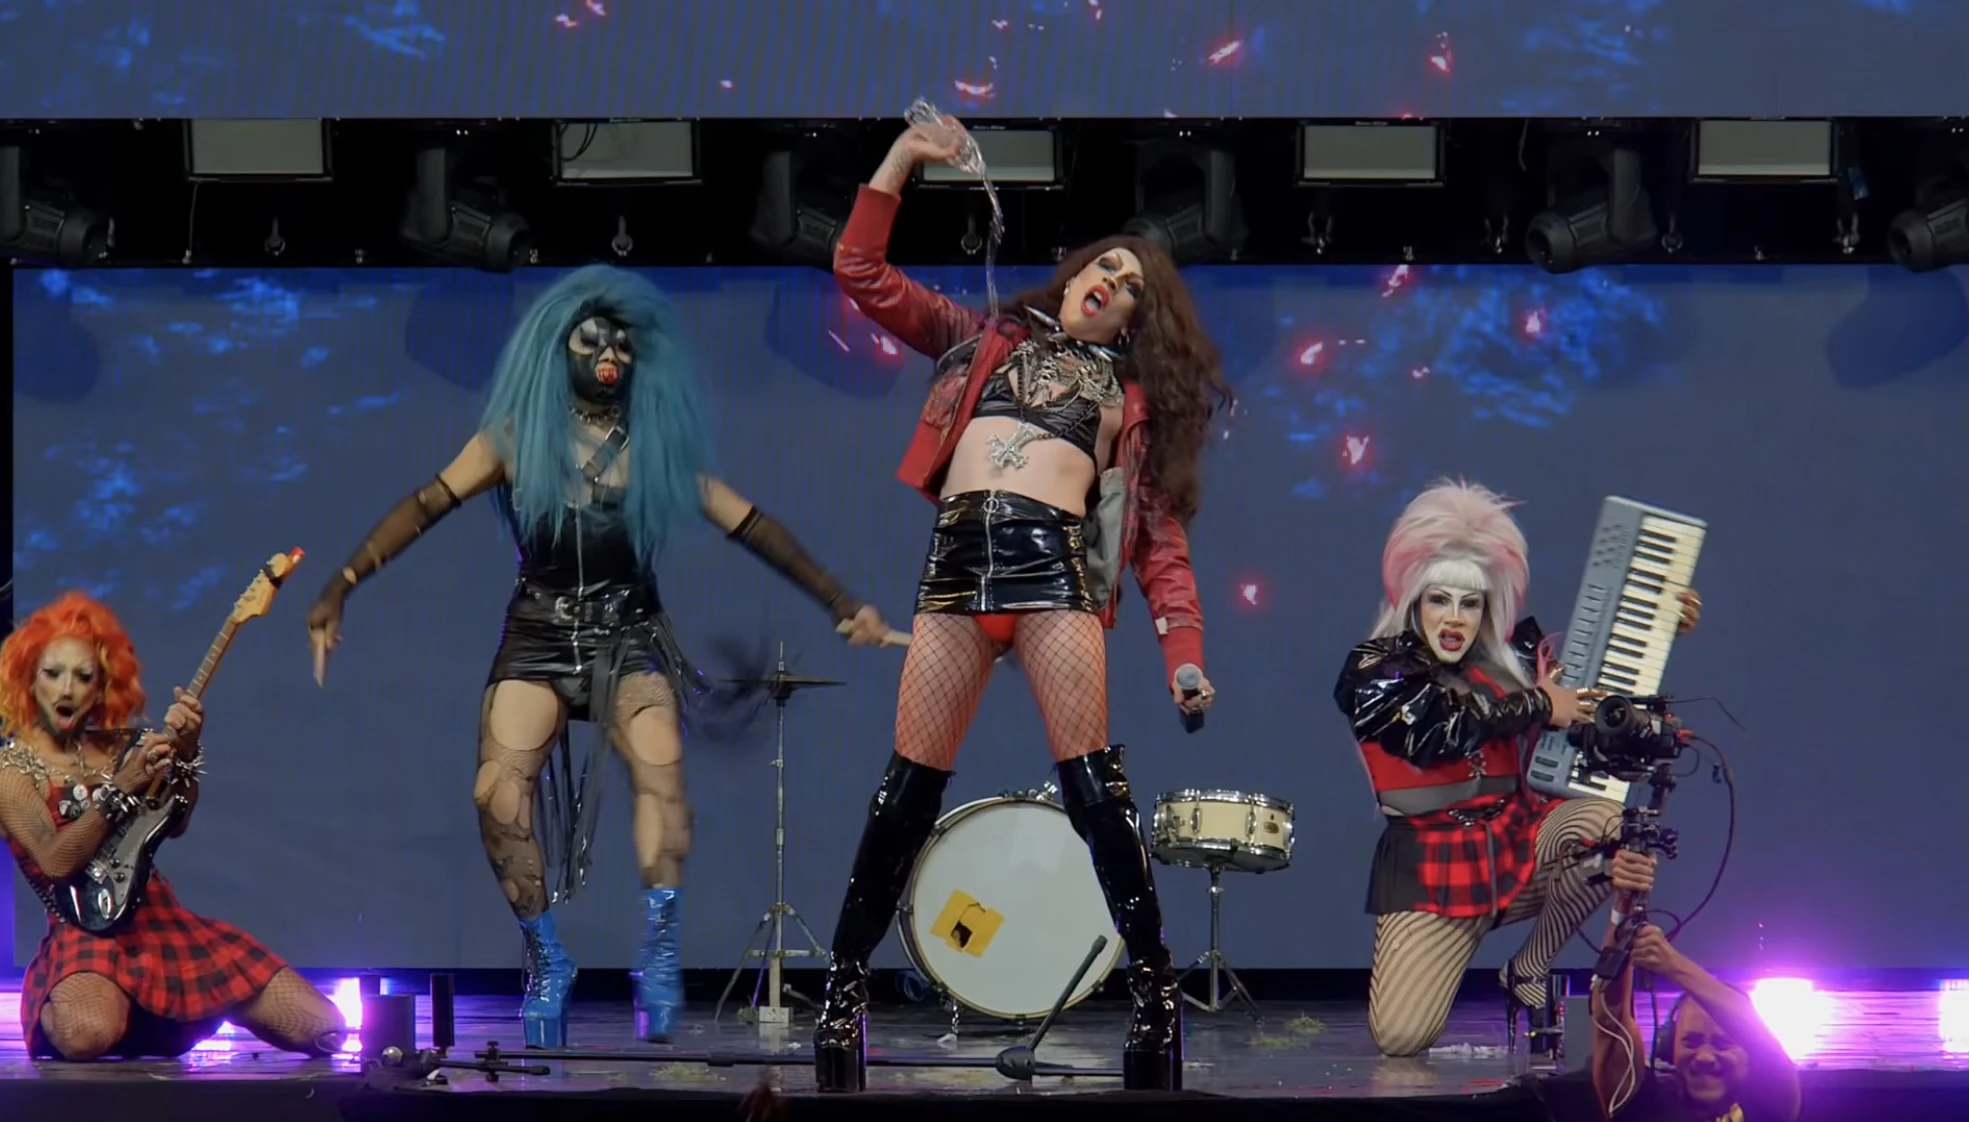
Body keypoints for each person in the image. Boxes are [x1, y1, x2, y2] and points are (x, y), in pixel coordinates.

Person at [306, 265, 892, 1049]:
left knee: (662, 780)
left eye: (621, 343)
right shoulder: (514, 437)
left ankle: (661, 949)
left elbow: (749, 524)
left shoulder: (655, 446)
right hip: (539, 635)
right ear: (559, 349)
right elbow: (424, 504)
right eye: (592, 341)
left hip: (630, 635)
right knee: (495, 795)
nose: (609, 354)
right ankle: (547, 957)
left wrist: (841, 601)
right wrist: (341, 584)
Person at [812, 115, 1231, 1094]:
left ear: (1134, 322)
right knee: (906, 790)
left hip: (1053, 573)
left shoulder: (1127, 403)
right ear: (1075, 273)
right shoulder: (982, 341)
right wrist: (901, 160)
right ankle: (841, 989)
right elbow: (860, 270)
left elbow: (1159, 549)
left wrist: (1184, 657)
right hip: (958, 567)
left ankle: (1155, 994)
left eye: (1133, 286)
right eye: (1106, 266)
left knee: (1094, 788)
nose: (1113, 281)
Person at [1332, 479, 1703, 1057]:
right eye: (1439, 599)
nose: (1454, 617)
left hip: (1518, 845)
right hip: (1431, 870)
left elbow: (1591, 691)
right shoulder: (1376, 669)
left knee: (1608, 827)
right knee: (1402, 1038)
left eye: (1470, 603)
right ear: (1414, 600)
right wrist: (1536, 705)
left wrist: (1656, 625)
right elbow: (1436, 733)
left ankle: (1529, 966)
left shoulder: (1511, 666)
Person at [0, 591, 347, 1061]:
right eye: (52, 673)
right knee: (86, 1034)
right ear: (27, 677)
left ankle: (180, 1012)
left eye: (83, 677)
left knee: (325, 1028)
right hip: (85, 932)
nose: (67, 690)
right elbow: (57, 862)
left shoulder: (126, 747)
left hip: (161, 923)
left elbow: (176, 822)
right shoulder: (11, 771)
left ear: (102, 686)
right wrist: (122, 786)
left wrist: (185, 753)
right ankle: (82, 1006)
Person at [1590, 854, 1802, 1122]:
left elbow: (1767, 1048)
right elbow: (1610, 1019)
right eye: (1690, 1041)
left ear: (1750, 1054)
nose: (1704, 1057)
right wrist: (1625, 903)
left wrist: (1672, 963)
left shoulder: (1767, 1108)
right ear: (1669, 1046)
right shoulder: (1646, 1106)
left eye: (1723, 1043)